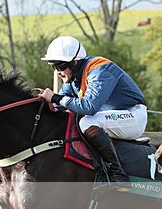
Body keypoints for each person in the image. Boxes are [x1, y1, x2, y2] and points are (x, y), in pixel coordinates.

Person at [39, 35, 147, 191]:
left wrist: (55, 97)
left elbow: (89, 107)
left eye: (60, 66)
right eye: (53, 67)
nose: (57, 72)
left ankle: (118, 175)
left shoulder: (100, 70)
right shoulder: (74, 78)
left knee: (87, 122)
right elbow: (59, 105)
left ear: (74, 63)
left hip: (133, 117)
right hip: (110, 117)